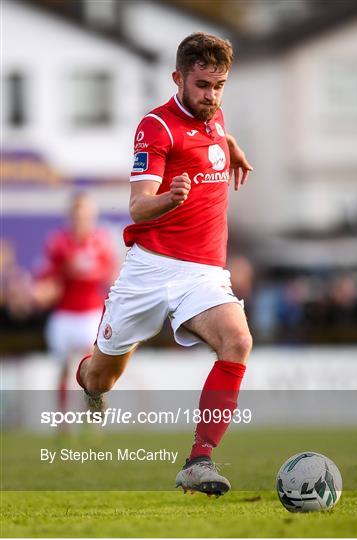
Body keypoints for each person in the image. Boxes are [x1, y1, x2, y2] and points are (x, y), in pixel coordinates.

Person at [76, 33, 253, 496]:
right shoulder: (155, 127)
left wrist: (231, 146)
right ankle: (88, 380)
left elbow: (212, 135)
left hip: (203, 274)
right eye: (202, 85)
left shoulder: (214, 119)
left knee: (237, 340)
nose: (211, 95)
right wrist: (169, 199)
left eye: (219, 86)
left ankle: (199, 460)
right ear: (178, 78)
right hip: (149, 271)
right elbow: (137, 206)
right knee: (102, 376)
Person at [36, 192, 117, 412]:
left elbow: (111, 275)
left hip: (91, 314)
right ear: (70, 217)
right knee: (64, 368)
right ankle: (63, 420)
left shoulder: (102, 241)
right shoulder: (58, 243)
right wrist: (44, 291)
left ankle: (90, 419)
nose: (81, 220)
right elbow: (48, 279)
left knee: (89, 368)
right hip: (64, 314)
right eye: (77, 215)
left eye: (85, 215)